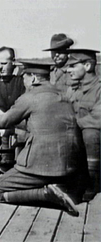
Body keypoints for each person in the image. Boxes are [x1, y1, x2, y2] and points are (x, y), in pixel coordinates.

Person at [0, 59, 88, 217]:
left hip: (41, 166)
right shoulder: (62, 94)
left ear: (34, 78)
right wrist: (11, 123)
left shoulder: (30, 96)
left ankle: (48, 193)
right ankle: (56, 187)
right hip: (70, 165)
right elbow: (41, 124)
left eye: (25, 76)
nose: (23, 80)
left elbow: (2, 122)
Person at [66, 49, 100, 201]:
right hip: (76, 136)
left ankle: (92, 183)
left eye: (73, 65)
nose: (68, 70)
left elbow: (98, 118)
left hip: (93, 138)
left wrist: (73, 125)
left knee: (90, 132)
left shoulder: (99, 88)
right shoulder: (73, 89)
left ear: (87, 66)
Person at [0, 46, 26, 166]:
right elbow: (2, 107)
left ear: (13, 62)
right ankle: (5, 160)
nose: (0, 67)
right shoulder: (1, 82)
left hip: (24, 126)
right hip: (10, 125)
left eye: (3, 63)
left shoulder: (23, 79)